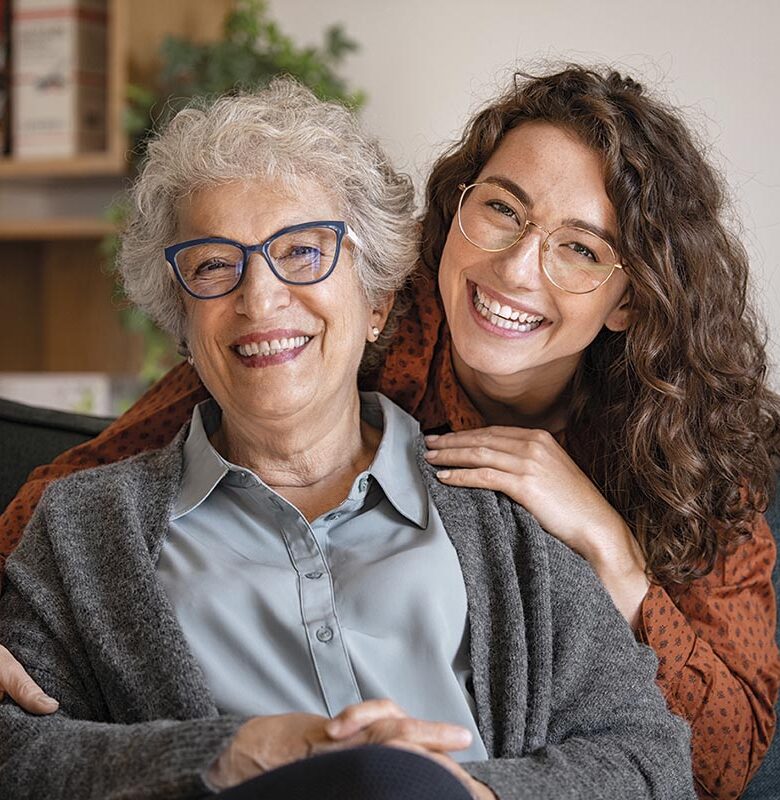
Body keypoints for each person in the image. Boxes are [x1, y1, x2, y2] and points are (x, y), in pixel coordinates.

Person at [1, 65, 776, 796]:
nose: (263, 299)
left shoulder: (593, 504)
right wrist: (224, 756)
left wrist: (609, 550)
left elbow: (681, 762)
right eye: (503, 209)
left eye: (580, 247)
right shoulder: (93, 523)